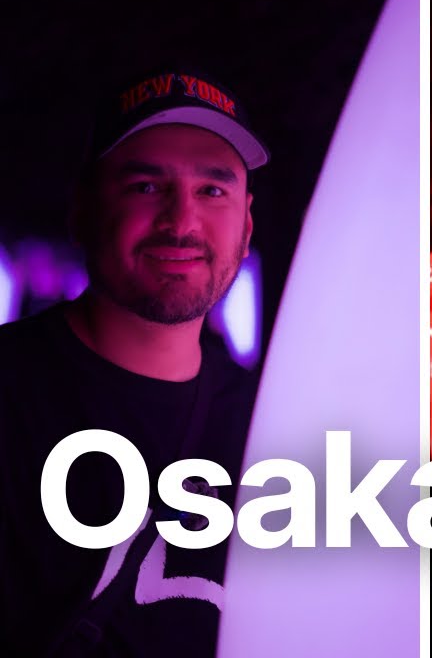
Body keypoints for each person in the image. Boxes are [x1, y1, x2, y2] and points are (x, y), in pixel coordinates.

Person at [0, 69, 268, 655]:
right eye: (146, 186)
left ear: (245, 226)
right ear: (84, 209)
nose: (182, 222)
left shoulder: (275, 423)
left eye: (212, 190)